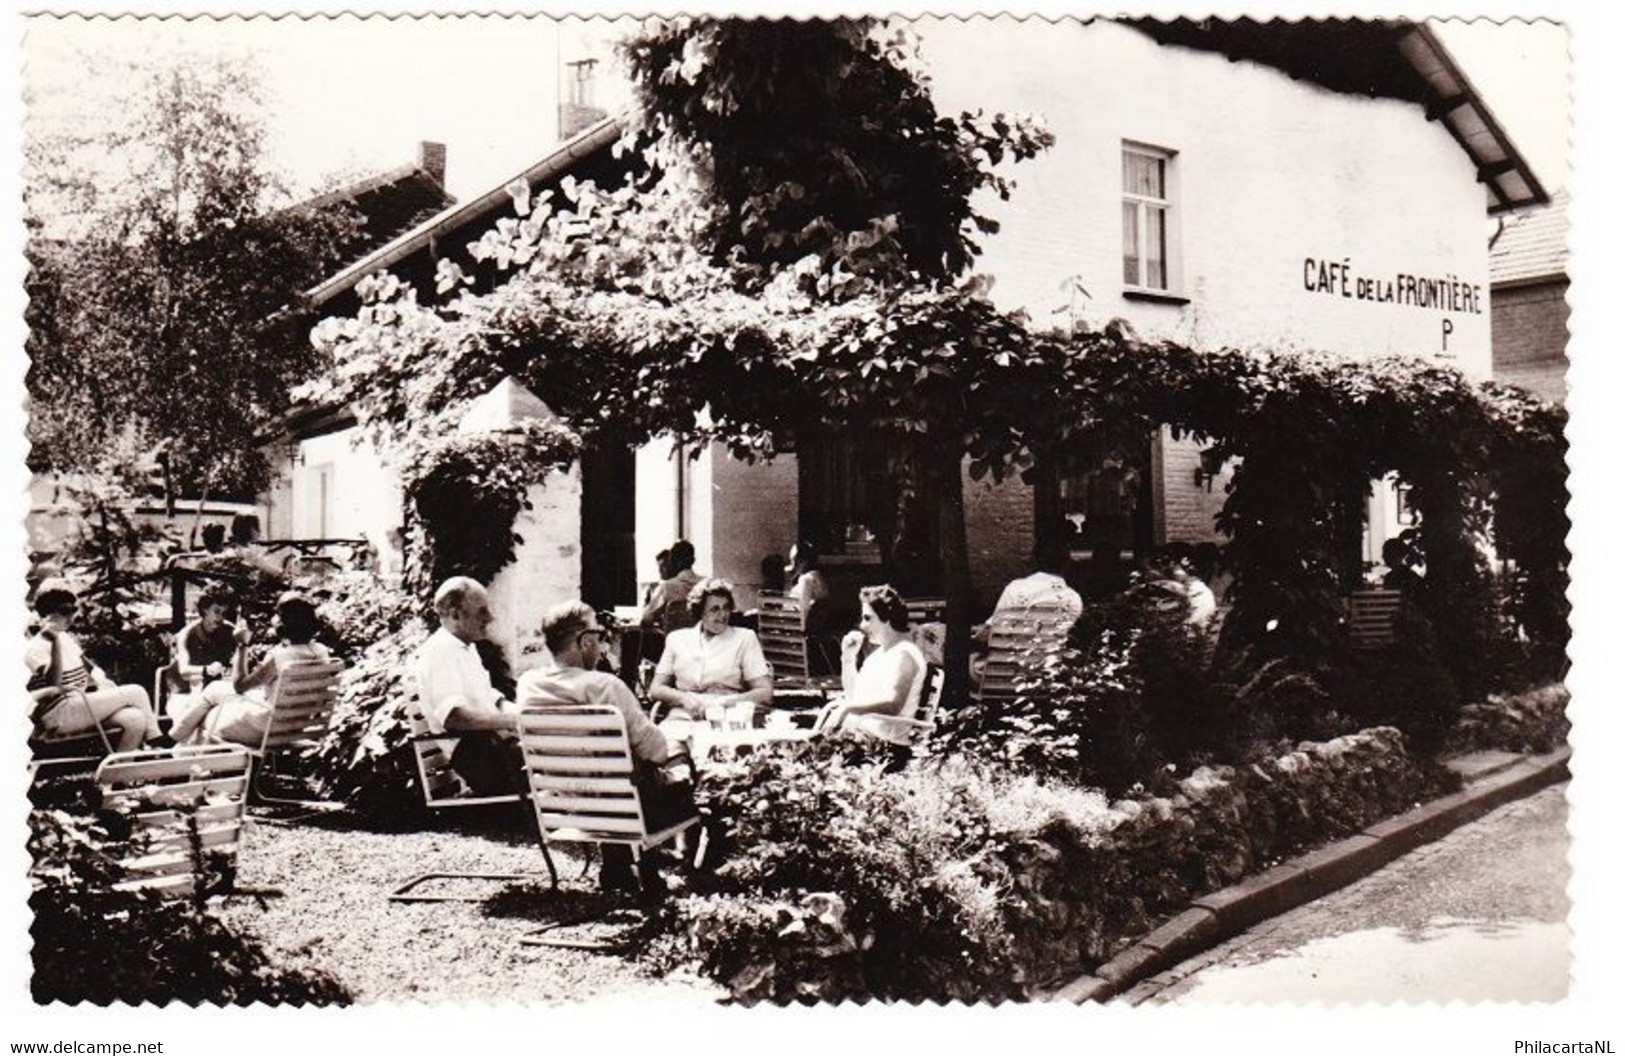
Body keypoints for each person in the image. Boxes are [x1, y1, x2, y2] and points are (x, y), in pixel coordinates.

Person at [517, 601, 694, 896]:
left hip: (566, 803)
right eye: (600, 635)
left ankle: (617, 864)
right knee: (672, 750)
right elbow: (656, 750)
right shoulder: (605, 686)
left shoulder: (528, 685)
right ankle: (655, 865)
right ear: (586, 641)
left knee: (611, 768)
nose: (603, 643)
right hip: (631, 807)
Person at [414, 577, 525, 797]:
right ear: (456, 615)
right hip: (477, 754)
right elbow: (455, 717)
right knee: (556, 755)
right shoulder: (440, 652)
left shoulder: (464, 647)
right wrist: (514, 722)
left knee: (556, 744)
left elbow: (489, 699)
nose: (490, 618)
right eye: (482, 611)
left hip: (492, 745)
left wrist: (526, 714)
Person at [176, 592, 330, 747]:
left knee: (209, 717)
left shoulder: (280, 657)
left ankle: (177, 747)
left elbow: (240, 686)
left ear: (284, 623)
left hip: (268, 728)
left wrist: (243, 645)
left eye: (278, 614)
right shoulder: (322, 652)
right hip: (297, 726)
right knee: (215, 688)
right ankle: (174, 739)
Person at [26, 584, 161, 752]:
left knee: (135, 719)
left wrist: (102, 680)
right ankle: (157, 743)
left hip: (80, 705)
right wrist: (54, 643)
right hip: (59, 713)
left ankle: (119, 775)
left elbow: (86, 665)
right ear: (46, 615)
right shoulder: (35, 647)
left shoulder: (65, 637)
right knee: (136, 691)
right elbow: (54, 683)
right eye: (64, 611)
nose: (70, 616)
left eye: (73, 610)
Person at [647, 579, 773, 724]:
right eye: (715, 609)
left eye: (726, 607)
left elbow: (765, 692)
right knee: (671, 744)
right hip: (685, 713)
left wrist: (727, 702)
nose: (723, 615)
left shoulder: (744, 638)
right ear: (700, 612)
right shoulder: (677, 639)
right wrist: (683, 698)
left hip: (729, 715)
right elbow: (656, 688)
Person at [816, 584, 927, 739]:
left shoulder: (905, 654)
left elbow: (893, 705)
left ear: (886, 618)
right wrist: (848, 659)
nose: (862, 625)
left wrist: (847, 709)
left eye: (868, 618)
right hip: (864, 736)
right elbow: (854, 696)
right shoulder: (879, 655)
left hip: (885, 744)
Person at [165, 588, 253, 736]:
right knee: (193, 717)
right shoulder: (187, 634)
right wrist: (206, 670)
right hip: (185, 691)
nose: (221, 618)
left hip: (216, 690)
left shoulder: (229, 630)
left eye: (224, 613)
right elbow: (184, 671)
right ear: (204, 609)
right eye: (216, 611)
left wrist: (244, 643)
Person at [641, 539, 702, 635]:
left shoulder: (666, 587)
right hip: (703, 644)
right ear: (693, 561)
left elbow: (646, 619)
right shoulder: (707, 584)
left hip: (675, 645)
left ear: (671, 562)